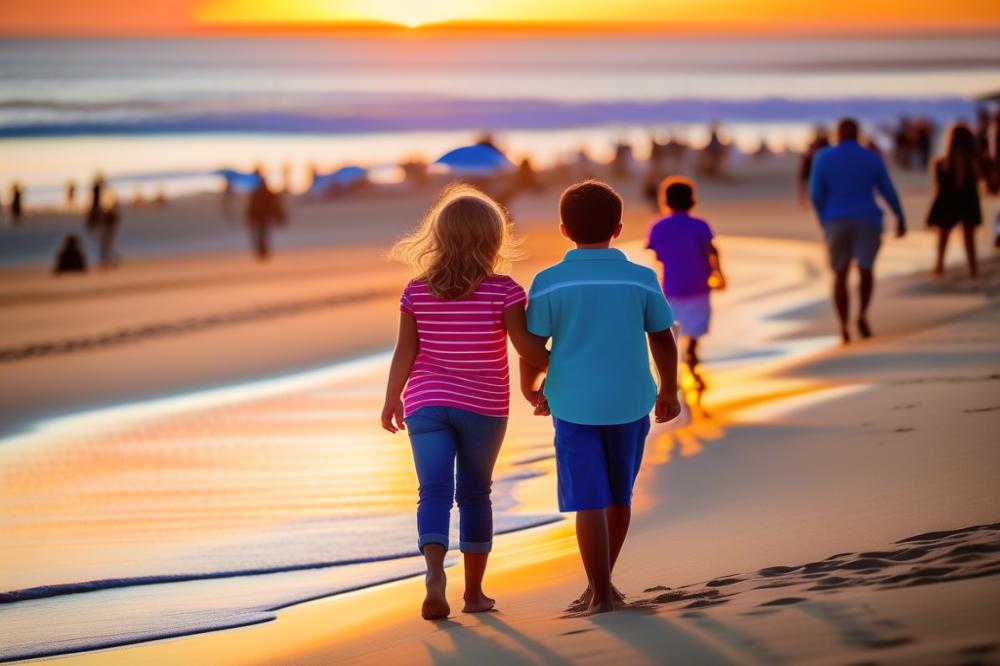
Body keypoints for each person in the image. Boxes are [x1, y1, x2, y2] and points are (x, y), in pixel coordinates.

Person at [380, 185, 549, 621]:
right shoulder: (504, 291)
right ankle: (474, 594)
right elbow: (526, 349)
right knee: (475, 494)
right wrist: (564, 359)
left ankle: (435, 574)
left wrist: (391, 399)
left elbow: (405, 352)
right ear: (493, 239)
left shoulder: (416, 291)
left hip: (426, 403)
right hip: (483, 405)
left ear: (438, 237)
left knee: (432, 491)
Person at [521, 181, 681, 614]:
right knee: (617, 496)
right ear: (619, 226)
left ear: (562, 229)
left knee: (587, 499)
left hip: (573, 404)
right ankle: (601, 585)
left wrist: (531, 387)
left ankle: (601, 592)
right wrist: (669, 389)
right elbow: (662, 338)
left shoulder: (549, 282)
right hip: (630, 400)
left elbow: (533, 344)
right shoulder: (640, 277)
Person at [809, 118, 906, 344]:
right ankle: (862, 314)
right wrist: (899, 217)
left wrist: (824, 219)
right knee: (866, 269)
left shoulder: (823, 158)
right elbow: (888, 191)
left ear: (838, 134)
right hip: (868, 219)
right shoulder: (871, 158)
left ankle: (843, 326)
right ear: (857, 134)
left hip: (836, 219)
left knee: (840, 273)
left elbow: (816, 195)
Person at [646, 177, 725, 375]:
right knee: (697, 323)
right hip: (699, 283)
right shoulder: (700, 225)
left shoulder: (659, 226)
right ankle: (692, 350)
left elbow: (657, 255)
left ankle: (673, 360)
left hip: (673, 286)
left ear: (666, 201)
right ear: (692, 200)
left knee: (673, 326)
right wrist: (719, 273)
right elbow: (712, 251)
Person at [927, 124, 982, 279]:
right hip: (968, 201)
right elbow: (979, 180)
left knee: (943, 237)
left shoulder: (942, 162)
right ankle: (973, 269)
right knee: (969, 238)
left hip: (948, 202)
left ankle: (939, 266)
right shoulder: (973, 161)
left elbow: (939, 187)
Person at [245, 171, 285, 261]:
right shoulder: (259, 192)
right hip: (261, 217)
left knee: (262, 235)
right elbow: (274, 204)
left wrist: (278, 215)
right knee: (262, 235)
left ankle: (263, 253)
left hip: (261, 217)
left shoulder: (258, 192)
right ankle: (262, 252)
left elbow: (274, 204)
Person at [798, 126, 830, 205]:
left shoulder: (823, 143)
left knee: (809, 184)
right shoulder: (821, 143)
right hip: (813, 166)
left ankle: (803, 199)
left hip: (814, 166)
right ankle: (803, 199)